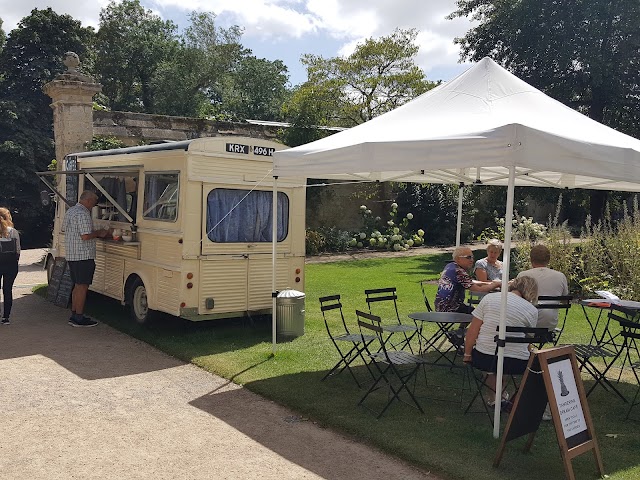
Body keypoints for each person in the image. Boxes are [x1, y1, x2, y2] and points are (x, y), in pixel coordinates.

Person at [463, 275, 539, 406]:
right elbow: (528, 339)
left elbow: (472, 331)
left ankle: (494, 397)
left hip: (485, 359)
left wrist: (467, 354)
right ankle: (500, 395)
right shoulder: (532, 310)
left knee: (493, 356)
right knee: (505, 353)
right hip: (517, 363)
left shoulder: (489, 298)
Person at [63, 190, 110, 327]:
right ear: (88, 201)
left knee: (77, 285)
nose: (94, 206)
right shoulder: (83, 214)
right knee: (83, 286)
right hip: (83, 255)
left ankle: (74, 314)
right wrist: (99, 233)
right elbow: (85, 236)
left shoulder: (71, 211)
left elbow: (65, 229)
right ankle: (79, 317)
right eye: (94, 203)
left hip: (72, 254)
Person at [516, 244, 569, 331]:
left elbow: (516, 300)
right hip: (549, 324)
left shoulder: (523, 275)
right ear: (548, 260)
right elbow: (565, 300)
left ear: (531, 259)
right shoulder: (560, 276)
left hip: (527, 323)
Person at [435, 246, 502, 313]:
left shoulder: (450, 266)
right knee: (480, 315)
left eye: (472, 257)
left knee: (474, 311)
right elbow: (479, 290)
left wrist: (489, 283)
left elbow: (470, 281)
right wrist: (497, 284)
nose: (472, 260)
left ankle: (467, 323)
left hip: (441, 306)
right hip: (450, 308)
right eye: (468, 257)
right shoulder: (459, 271)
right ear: (458, 259)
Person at [0, 207, 21, 325]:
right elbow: (18, 250)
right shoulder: (13, 231)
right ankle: (6, 317)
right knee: (7, 290)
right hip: (11, 264)